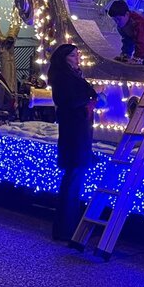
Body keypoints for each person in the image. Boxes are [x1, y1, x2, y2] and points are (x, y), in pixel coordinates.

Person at [47, 44, 98, 242]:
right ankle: (65, 228)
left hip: (79, 130)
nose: (78, 58)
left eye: (78, 55)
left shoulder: (73, 75)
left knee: (74, 179)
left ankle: (69, 226)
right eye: (73, 55)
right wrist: (89, 98)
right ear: (64, 58)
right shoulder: (63, 77)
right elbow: (69, 101)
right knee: (72, 177)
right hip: (74, 131)